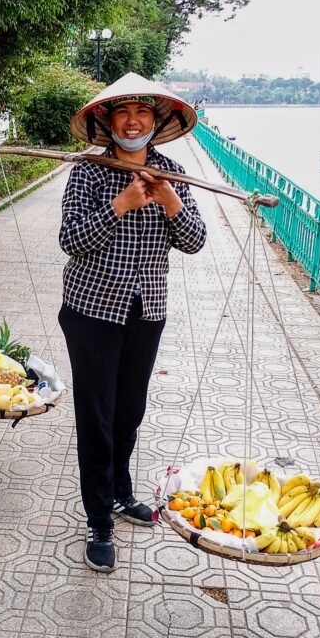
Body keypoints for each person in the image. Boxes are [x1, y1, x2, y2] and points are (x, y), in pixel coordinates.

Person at [58, 72, 207, 572]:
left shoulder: (173, 173)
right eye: (122, 112)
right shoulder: (88, 172)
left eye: (142, 112)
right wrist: (121, 205)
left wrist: (169, 201)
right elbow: (71, 241)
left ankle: (121, 492)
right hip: (92, 312)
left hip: (147, 312)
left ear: (158, 120)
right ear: (106, 119)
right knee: (96, 419)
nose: (133, 120)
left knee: (129, 413)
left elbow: (195, 241)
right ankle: (98, 519)